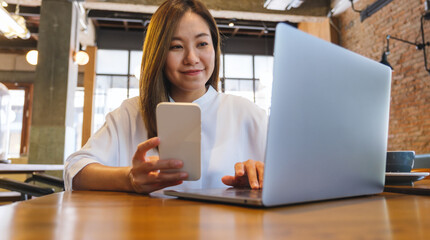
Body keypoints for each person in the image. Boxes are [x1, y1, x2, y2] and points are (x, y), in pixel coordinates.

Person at [64, 0, 268, 194]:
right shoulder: (131, 113)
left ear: (215, 48)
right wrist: (129, 179)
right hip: (151, 229)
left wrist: (260, 176)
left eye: (202, 44)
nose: (192, 58)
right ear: (158, 53)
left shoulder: (246, 113)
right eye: (176, 46)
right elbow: (75, 171)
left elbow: (292, 174)